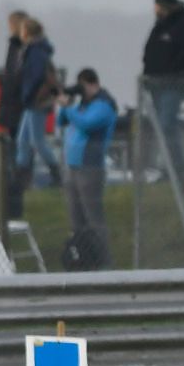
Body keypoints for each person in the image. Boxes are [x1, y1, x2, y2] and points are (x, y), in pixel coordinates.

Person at [55, 67, 118, 271]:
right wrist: (65, 104)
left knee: (93, 217)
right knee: (76, 218)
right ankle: (83, 258)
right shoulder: (82, 105)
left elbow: (87, 124)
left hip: (90, 167)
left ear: (93, 84)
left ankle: (103, 261)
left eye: (83, 87)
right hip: (72, 166)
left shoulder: (104, 105)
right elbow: (60, 121)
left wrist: (69, 108)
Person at [142, 0, 184, 171]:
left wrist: (170, 72)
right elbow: (149, 51)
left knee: (167, 125)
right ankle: (165, 164)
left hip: (172, 85)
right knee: (160, 126)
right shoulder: (159, 26)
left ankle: (175, 166)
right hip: (155, 85)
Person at [15, 18, 62, 187]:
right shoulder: (37, 50)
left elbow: (35, 76)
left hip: (36, 100)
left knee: (37, 140)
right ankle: (20, 176)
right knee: (23, 140)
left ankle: (57, 174)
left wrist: (28, 92)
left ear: (26, 32)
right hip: (32, 101)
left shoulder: (35, 52)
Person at [0, 10, 29, 218]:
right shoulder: (19, 47)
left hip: (15, 106)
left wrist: (8, 88)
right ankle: (12, 194)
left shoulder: (19, 47)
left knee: (16, 151)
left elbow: (14, 76)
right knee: (15, 150)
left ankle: (15, 196)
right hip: (14, 105)